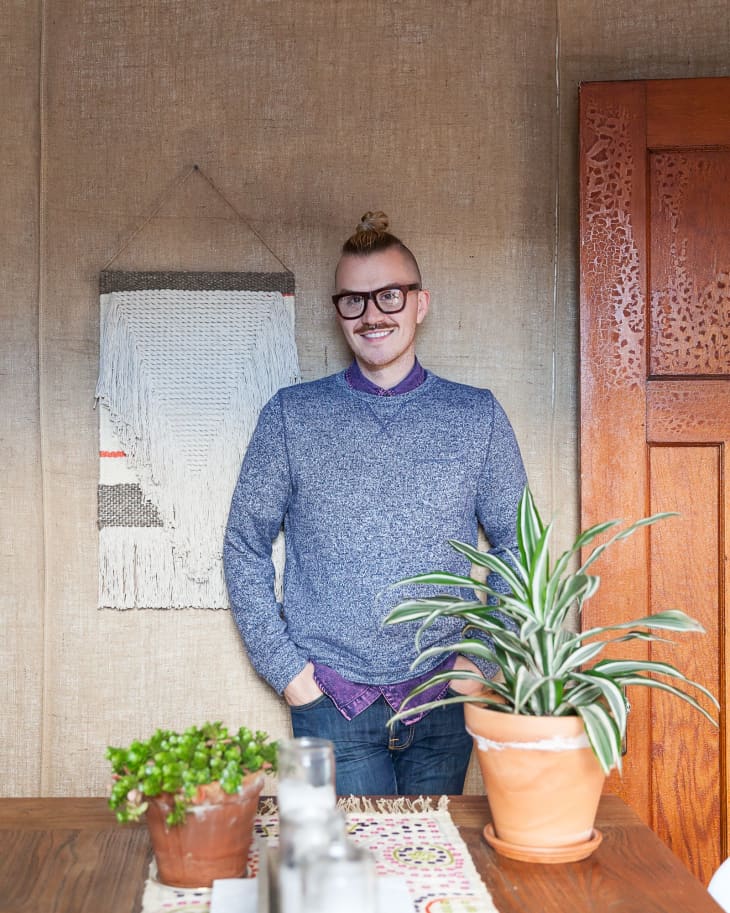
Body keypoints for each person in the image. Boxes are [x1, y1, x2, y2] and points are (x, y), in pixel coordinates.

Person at [224, 212, 527, 795]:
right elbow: (244, 544)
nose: (371, 315)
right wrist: (289, 674)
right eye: (353, 300)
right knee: (344, 871)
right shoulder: (291, 416)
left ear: (421, 303)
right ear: (337, 311)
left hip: (445, 694)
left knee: (433, 864)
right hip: (330, 699)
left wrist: (480, 663)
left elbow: (520, 544)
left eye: (388, 295)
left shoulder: (477, 416)